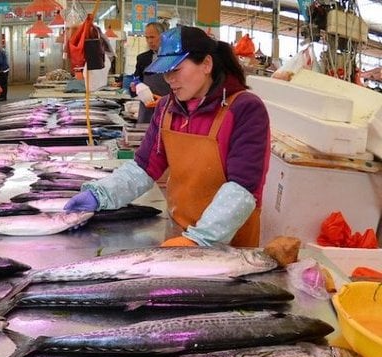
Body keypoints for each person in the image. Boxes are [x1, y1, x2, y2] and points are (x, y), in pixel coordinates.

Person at [65, 25, 270, 248]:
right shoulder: (166, 107)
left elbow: (242, 187)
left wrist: (200, 239)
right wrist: (100, 195)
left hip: (231, 245)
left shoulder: (245, 109)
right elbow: (144, 168)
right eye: (165, 72)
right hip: (180, 232)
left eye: (176, 70)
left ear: (207, 64)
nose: (169, 79)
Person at [130, 21, 170, 123]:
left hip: (168, 107)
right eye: (147, 38)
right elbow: (136, 79)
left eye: (152, 37)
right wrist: (134, 86)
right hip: (147, 111)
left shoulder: (172, 58)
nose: (149, 41)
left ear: (163, 37)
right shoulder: (142, 58)